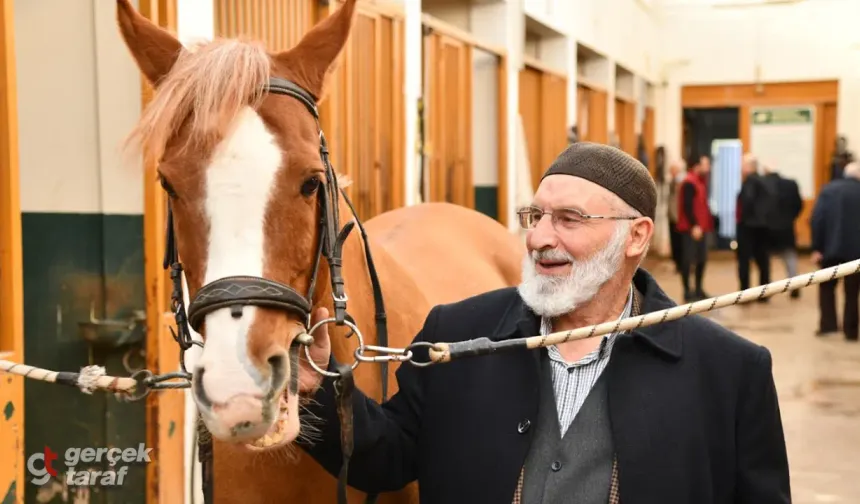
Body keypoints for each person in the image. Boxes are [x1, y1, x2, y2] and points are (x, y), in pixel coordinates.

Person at [299, 142, 791, 504]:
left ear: (637, 237)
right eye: (534, 216)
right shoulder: (457, 332)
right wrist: (314, 390)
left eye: (568, 219)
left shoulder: (729, 372)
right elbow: (386, 457)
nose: (537, 238)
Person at [811, 161, 860, 341]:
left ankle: (828, 325)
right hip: (856, 252)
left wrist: (817, 247)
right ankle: (851, 330)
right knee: (853, 291)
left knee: (826, 287)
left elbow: (818, 219)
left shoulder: (828, 190)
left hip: (830, 248)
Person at [675, 154, 713, 301]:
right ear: (697, 166)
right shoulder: (689, 182)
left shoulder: (700, 182)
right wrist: (694, 225)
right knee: (688, 260)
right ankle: (687, 290)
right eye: (706, 164)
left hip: (701, 228)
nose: (708, 168)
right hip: (691, 229)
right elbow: (687, 206)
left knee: (701, 259)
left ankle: (698, 289)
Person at [736, 154, 774, 297]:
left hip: (748, 227)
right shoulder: (763, 182)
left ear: (750, 167)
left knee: (744, 260)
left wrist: (744, 218)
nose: (741, 168)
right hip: (762, 226)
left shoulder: (750, 182)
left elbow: (747, 201)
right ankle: (764, 293)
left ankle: (745, 293)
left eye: (743, 165)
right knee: (763, 260)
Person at [762, 164, 803, 299]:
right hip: (786, 227)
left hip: (767, 228)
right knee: (790, 257)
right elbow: (799, 205)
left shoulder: (763, 184)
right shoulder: (791, 184)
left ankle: (766, 290)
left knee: (765, 260)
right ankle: (794, 285)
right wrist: (790, 217)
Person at [666, 159, 685, 273]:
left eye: (673, 170)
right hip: (671, 216)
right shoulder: (671, 182)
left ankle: (682, 265)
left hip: (679, 218)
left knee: (680, 243)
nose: (671, 172)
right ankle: (677, 263)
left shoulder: (682, 182)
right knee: (674, 242)